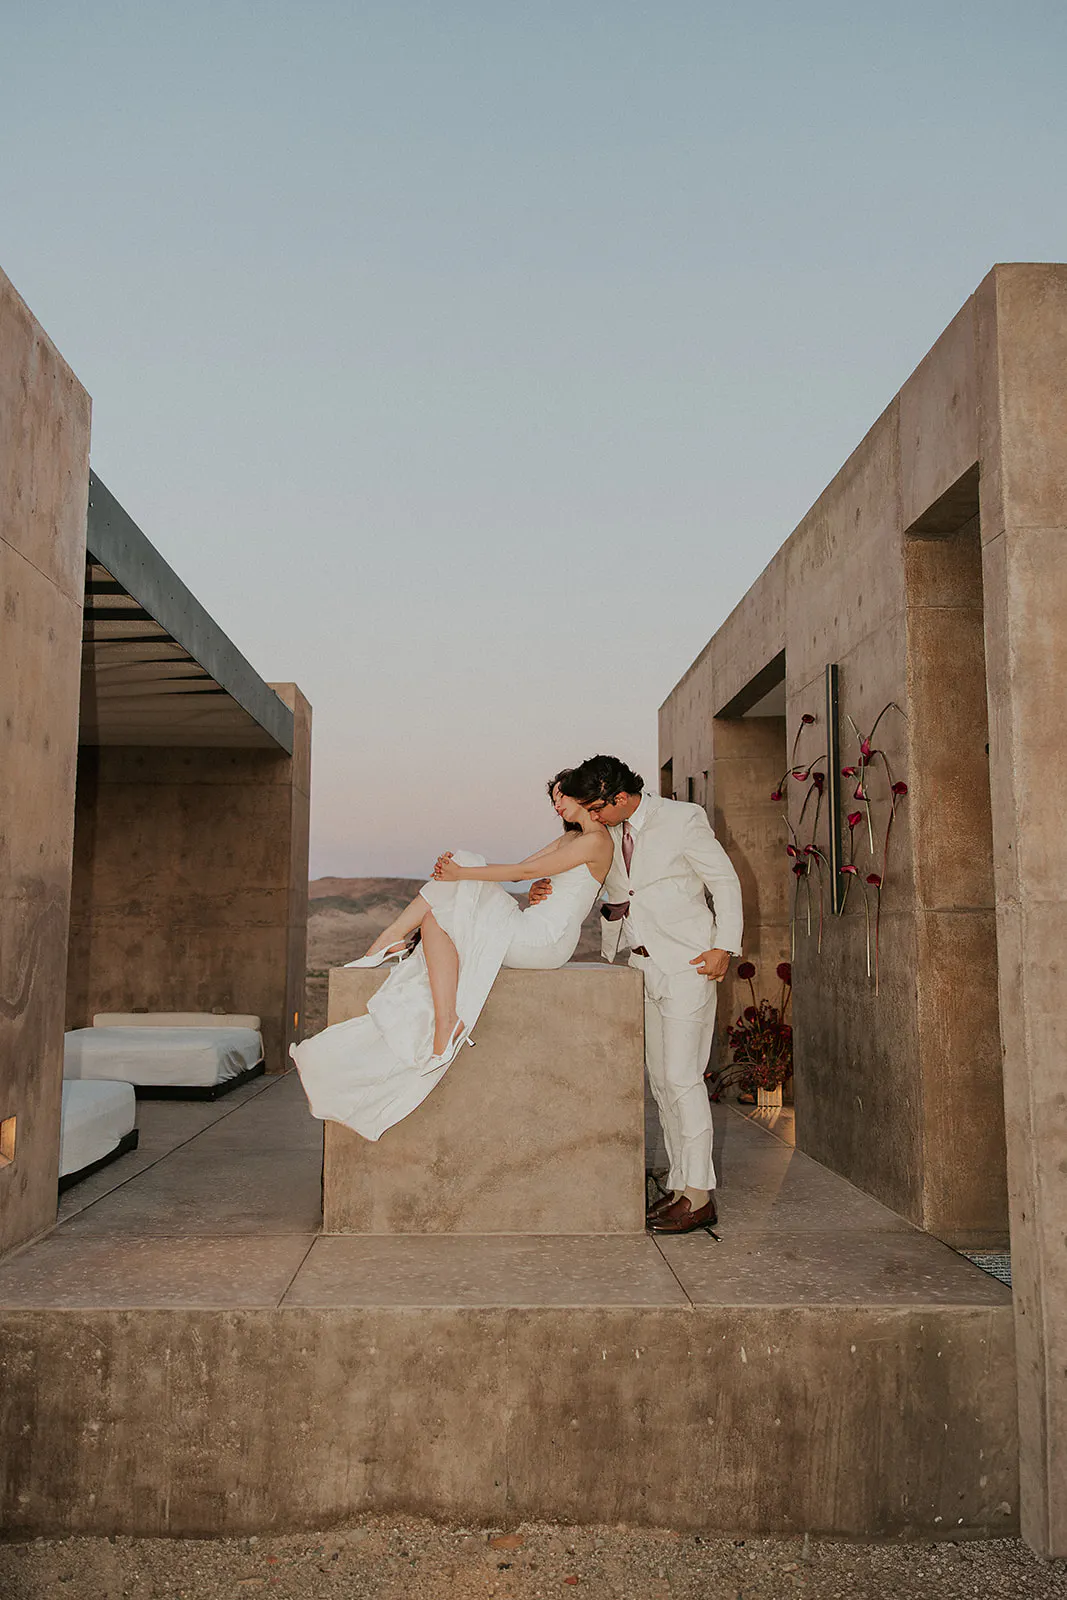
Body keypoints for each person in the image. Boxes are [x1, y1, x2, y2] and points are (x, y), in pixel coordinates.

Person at [289, 774, 612, 1141]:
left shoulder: (596, 840)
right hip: (530, 927)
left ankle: (390, 942)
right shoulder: (573, 838)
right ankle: (443, 1017)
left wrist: (461, 872)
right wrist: (475, 877)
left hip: (543, 940)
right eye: (553, 798)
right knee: (437, 915)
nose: (557, 805)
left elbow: (525, 872)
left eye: (562, 796)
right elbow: (525, 870)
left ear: (584, 795)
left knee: (460, 870)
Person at [532, 755, 743, 1236]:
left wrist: (724, 946)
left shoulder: (683, 819)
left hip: (690, 964)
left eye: (597, 808)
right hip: (641, 966)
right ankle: (678, 1184)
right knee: (662, 1084)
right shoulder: (606, 835)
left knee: (683, 1079)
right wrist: (549, 883)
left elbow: (723, 881)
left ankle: (699, 1197)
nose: (593, 818)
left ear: (620, 797)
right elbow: (600, 880)